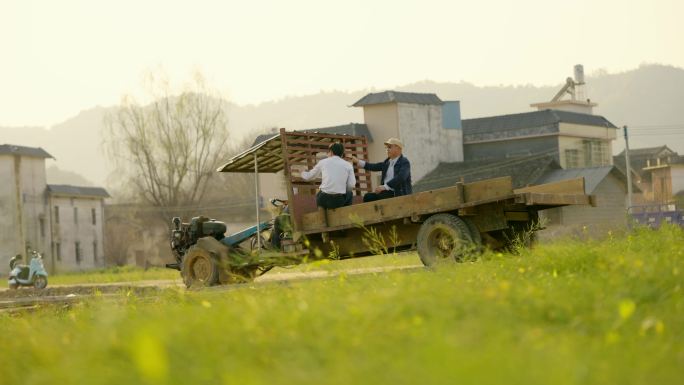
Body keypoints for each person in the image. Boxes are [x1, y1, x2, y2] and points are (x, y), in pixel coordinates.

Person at [352, 137, 412, 202]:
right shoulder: (387, 162)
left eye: (389, 147)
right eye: (386, 148)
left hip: (398, 194)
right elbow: (373, 166)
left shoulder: (404, 162)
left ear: (398, 148)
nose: (387, 150)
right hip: (386, 193)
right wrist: (357, 161)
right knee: (368, 197)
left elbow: (401, 177)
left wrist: (385, 186)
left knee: (381, 196)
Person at [300, 142, 356, 209]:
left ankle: (321, 209)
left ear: (331, 152)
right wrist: (342, 190)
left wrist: (302, 173)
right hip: (337, 201)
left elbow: (309, 176)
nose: (327, 154)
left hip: (323, 199)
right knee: (349, 193)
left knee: (320, 192)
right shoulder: (348, 165)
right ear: (341, 154)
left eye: (328, 151)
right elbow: (351, 185)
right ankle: (345, 214)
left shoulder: (323, 162)